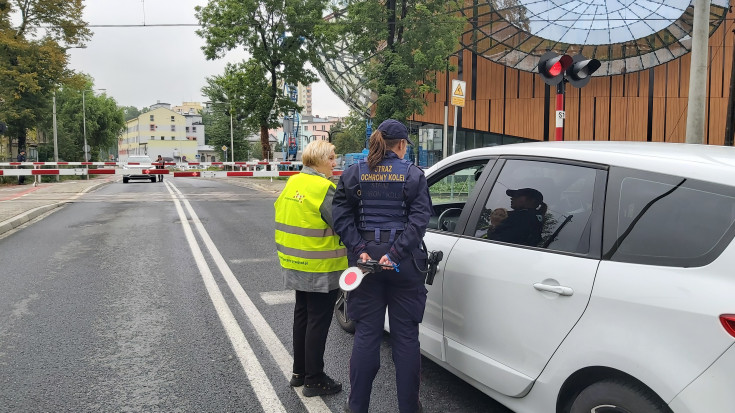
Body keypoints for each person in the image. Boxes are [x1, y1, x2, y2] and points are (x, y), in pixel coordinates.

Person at [332, 119, 433, 413]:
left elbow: (341, 218)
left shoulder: (354, 174)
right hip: (404, 267)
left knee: (366, 337)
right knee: (405, 340)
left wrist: (361, 251)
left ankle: (358, 407)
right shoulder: (414, 175)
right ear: (401, 145)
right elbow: (419, 221)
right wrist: (396, 254)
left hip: (365, 268)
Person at [274, 140, 346, 397]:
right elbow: (342, 224)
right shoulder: (323, 188)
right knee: (318, 319)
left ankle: (299, 373)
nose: (335, 162)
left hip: (294, 262)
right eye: (332, 157)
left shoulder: (293, 183)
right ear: (318, 160)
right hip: (320, 264)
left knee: (302, 315)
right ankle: (315, 379)